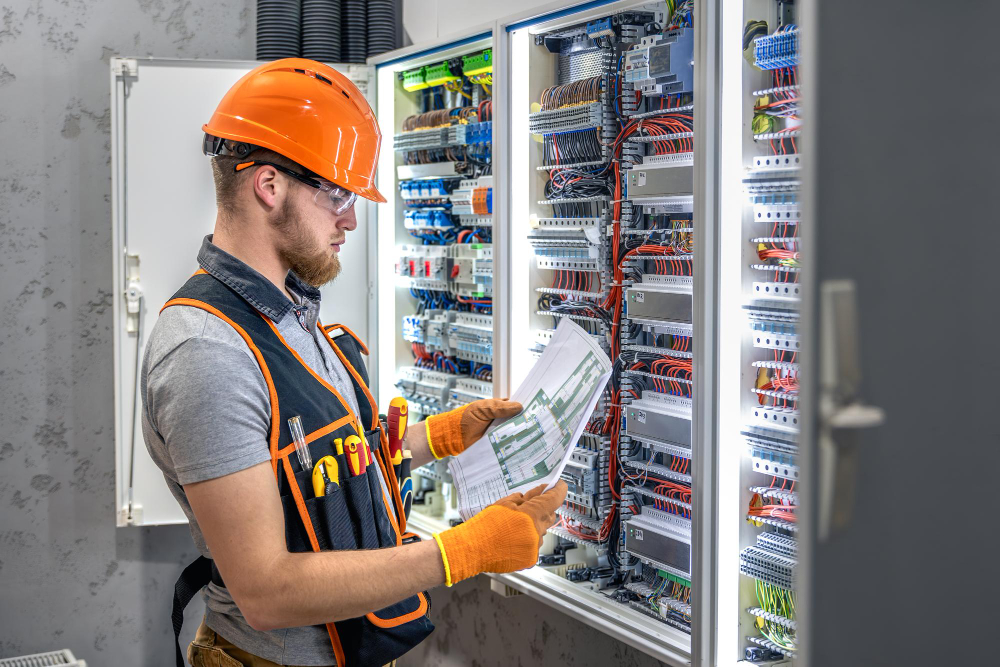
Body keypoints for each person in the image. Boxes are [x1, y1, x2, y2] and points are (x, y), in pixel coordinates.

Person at [140, 58, 568, 667]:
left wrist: (437, 438)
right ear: (269, 185)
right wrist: (459, 553)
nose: (353, 218)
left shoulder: (289, 315)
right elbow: (265, 589)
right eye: (339, 192)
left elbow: (320, 471)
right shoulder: (207, 352)